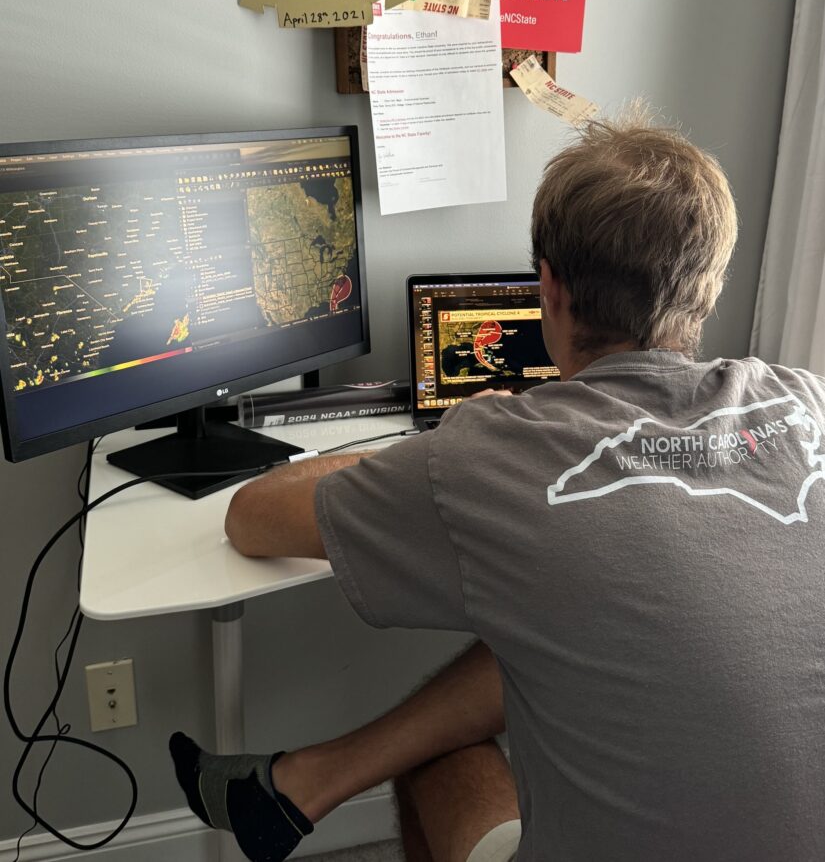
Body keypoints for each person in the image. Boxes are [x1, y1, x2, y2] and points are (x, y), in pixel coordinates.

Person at [170, 114, 825, 862]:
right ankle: (301, 785)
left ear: (548, 287)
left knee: (437, 763)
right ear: (709, 288)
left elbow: (251, 518)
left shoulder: (488, 455)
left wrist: (448, 445)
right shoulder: (808, 400)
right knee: (588, 622)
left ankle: (305, 783)